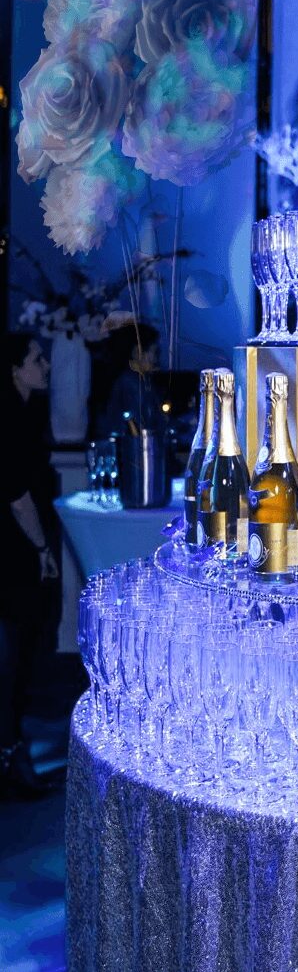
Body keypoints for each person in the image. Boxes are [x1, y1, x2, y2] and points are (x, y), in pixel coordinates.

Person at [1, 334, 60, 797]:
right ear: (16, 369)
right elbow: (18, 497)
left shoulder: (24, 412)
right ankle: (10, 756)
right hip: (14, 551)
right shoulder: (10, 418)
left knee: (16, 652)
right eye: (37, 359)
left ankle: (12, 751)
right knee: (13, 655)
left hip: (16, 549)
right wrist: (42, 549)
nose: (46, 366)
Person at [92, 321, 163, 437]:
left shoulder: (135, 381)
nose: (157, 359)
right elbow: (142, 425)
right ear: (137, 352)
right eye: (155, 352)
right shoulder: (130, 383)